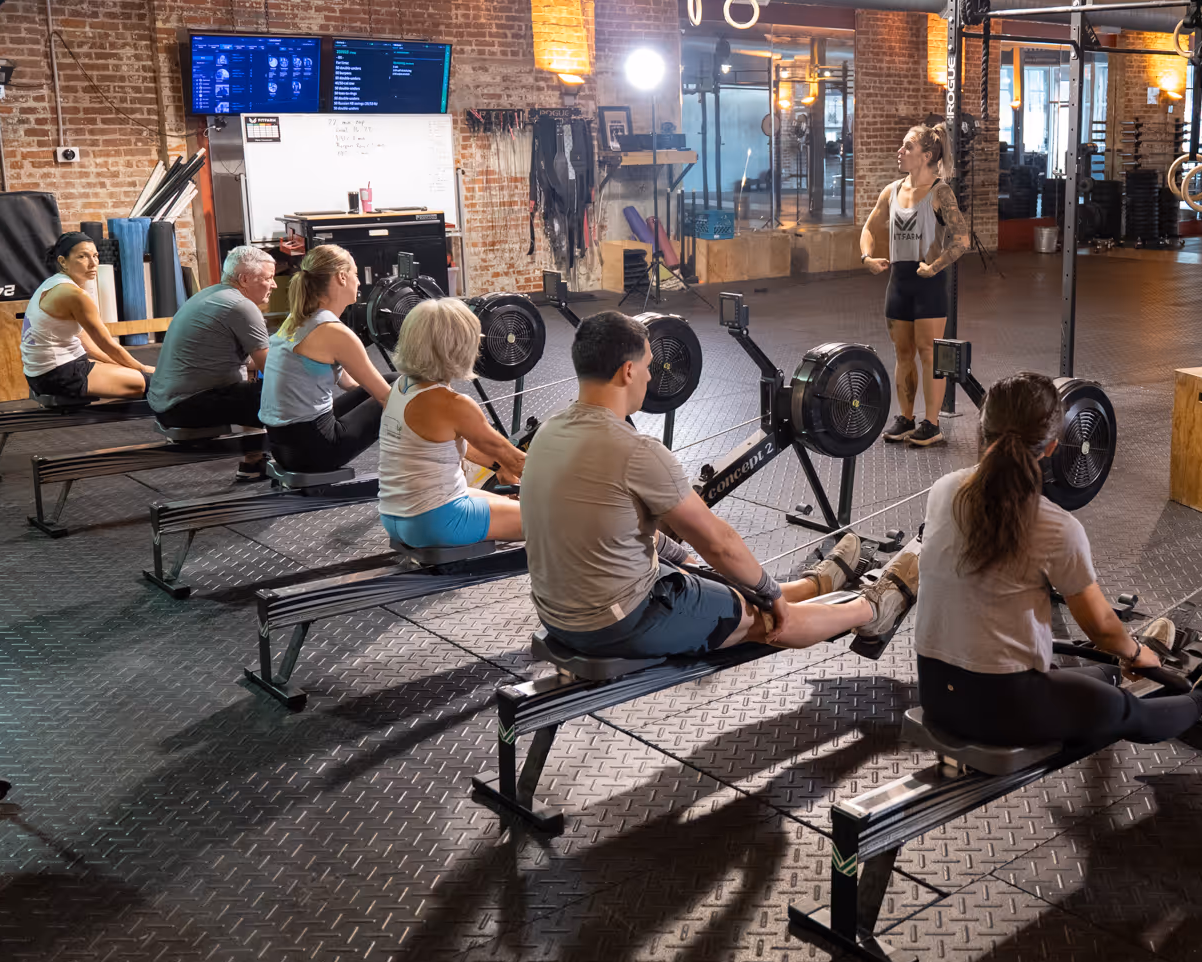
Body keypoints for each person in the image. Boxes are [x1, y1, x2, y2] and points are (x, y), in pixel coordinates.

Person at [522, 310, 917, 659]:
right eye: (648, 365)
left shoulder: (548, 432)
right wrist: (771, 595)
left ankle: (812, 585)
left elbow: (602, 522)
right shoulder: (636, 450)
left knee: (716, 579)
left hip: (556, 614)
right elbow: (718, 543)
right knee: (771, 620)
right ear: (627, 371)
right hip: (617, 622)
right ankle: (872, 609)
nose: (649, 375)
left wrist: (681, 559)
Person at [915, 372, 1202, 750]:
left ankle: (1121, 669)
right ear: (1052, 447)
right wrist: (1136, 652)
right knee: (1128, 713)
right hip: (1005, 707)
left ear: (982, 429)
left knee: (1099, 676)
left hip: (935, 693)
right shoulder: (1056, 526)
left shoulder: (943, 489)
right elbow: (1102, 630)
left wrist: (1125, 652)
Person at [377, 297, 528, 546]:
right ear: (458, 346)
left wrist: (500, 468)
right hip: (437, 520)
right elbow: (517, 461)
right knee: (555, 518)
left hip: (395, 517)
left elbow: (453, 448)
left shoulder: (399, 388)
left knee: (511, 503)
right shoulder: (453, 404)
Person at [861, 122, 970, 448]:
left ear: (927, 155)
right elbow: (869, 227)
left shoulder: (940, 193)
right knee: (902, 352)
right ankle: (906, 418)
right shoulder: (891, 191)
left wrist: (936, 266)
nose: (900, 152)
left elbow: (962, 239)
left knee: (928, 353)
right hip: (899, 283)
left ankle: (932, 424)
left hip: (929, 284)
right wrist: (867, 257)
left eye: (907, 147)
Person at [259, 244, 391, 474]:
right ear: (341, 277)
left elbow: (350, 384)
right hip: (313, 451)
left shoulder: (300, 319)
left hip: (283, 445)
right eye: (356, 274)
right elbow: (387, 397)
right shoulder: (334, 332)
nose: (359, 282)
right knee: (400, 390)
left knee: (392, 379)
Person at [148, 245, 275, 480]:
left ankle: (254, 462)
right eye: (268, 278)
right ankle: (301, 463)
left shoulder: (208, 294)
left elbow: (239, 362)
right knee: (285, 392)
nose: (274, 285)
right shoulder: (242, 306)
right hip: (185, 407)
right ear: (245, 279)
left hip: (166, 404)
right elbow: (272, 370)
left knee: (254, 387)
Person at [20, 231, 155, 402]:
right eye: (83, 257)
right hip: (60, 374)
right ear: (63, 261)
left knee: (132, 373)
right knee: (153, 383)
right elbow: (107, 345)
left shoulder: (53, 283)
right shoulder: (74, 295)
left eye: (95, 256)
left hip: (41, 374)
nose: (93, 264)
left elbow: (86, 344)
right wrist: (143, 369)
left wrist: (121, 366)